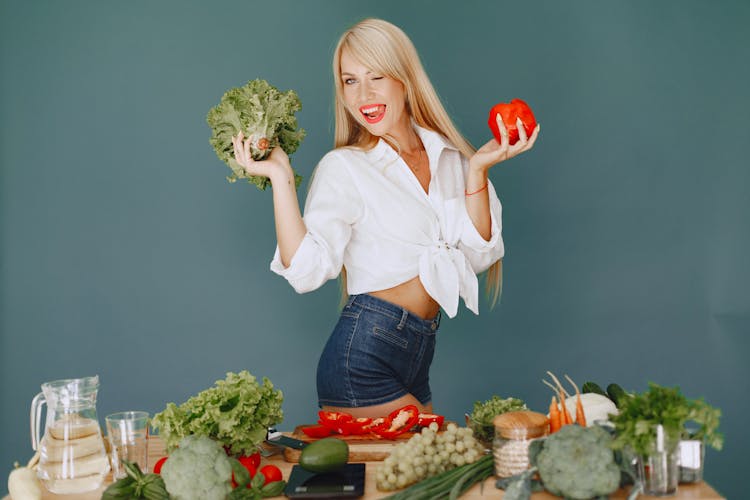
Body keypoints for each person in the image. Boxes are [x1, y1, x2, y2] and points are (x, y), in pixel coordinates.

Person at [232, 18, 539, 418]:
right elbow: (306, 272)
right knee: (438, 464)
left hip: (417, 353)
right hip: (361, 358)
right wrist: (280, 177)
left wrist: (478, 170)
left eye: (376, 76)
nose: (364, 94)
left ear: (405, 80)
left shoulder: (451, 158)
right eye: (350, 81)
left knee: (427, 475)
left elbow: (479, 255)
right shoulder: (345, 167)